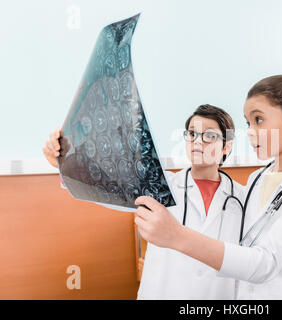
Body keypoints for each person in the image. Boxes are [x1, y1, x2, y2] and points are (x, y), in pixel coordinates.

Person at [133, 75, 282, 299]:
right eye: (248, 123)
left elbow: (265, 261)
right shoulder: (257, 179)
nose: (248, 130)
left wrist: (177, 235)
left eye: (258, 120)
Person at [42, 104, 245, 299]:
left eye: (209, 136)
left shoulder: (243, 198)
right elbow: (105, 189)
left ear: (227, 145)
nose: (198, 142)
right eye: (192, 134)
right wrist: (62, 158)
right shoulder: (159, 185)